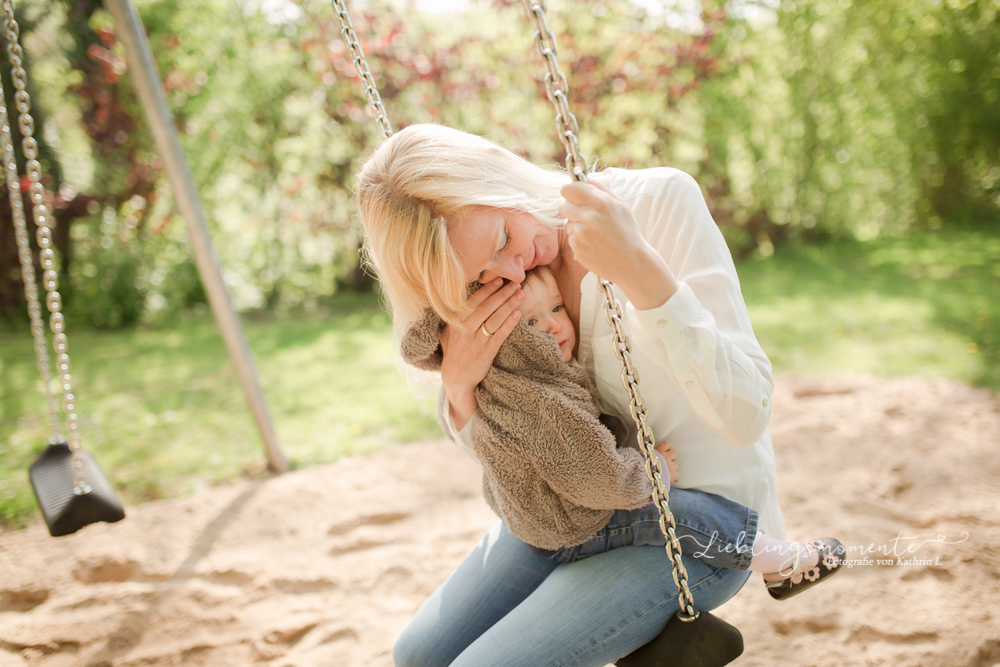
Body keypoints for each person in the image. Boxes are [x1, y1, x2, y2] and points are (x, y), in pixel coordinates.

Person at [356, 123, 838, 666]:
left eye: (503, 241)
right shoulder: (491, 286)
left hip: (702, 522)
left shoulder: (658, 203)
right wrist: (461, 387)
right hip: (574, 513)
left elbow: (747, 417)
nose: (512, 270)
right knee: (417, 656)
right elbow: (520, 452)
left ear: (499, 179)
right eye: (485, 270)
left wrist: (643, 274)